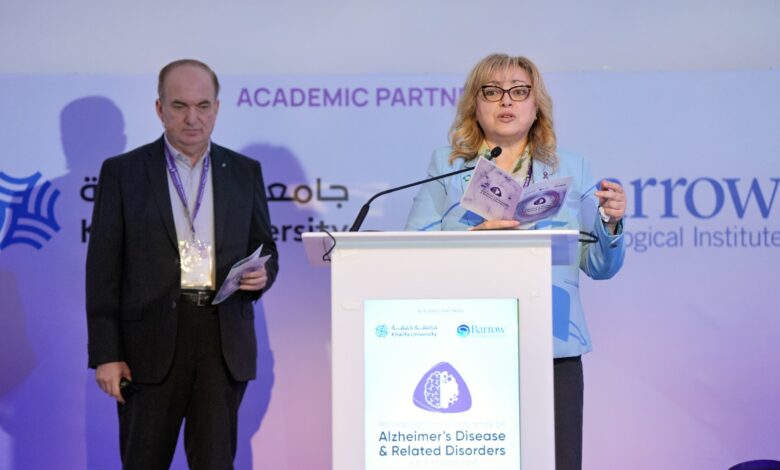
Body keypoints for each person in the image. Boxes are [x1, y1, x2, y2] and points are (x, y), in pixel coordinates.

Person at [405, 53, 626, 469]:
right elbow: (414, 249)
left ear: (535, 105)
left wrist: (611, 223)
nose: (506, 101)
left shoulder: (571, 168)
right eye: (492, 91)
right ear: (475, 104)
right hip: (467, 343)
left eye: (519, 91)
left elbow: (599, 265)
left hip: (552, 345)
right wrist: (472, 240)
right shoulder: (447, 167)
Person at [86, 59, 279, 470]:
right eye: (180, 106)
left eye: (203, 106)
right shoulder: (123, 173)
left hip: (221, 340)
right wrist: (106, 353)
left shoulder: (244, 172)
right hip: (147, 346)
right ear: (159, 108)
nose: (193, 118)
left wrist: (263, 275)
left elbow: (265, 246)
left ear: (217, 108)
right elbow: (103, 271)